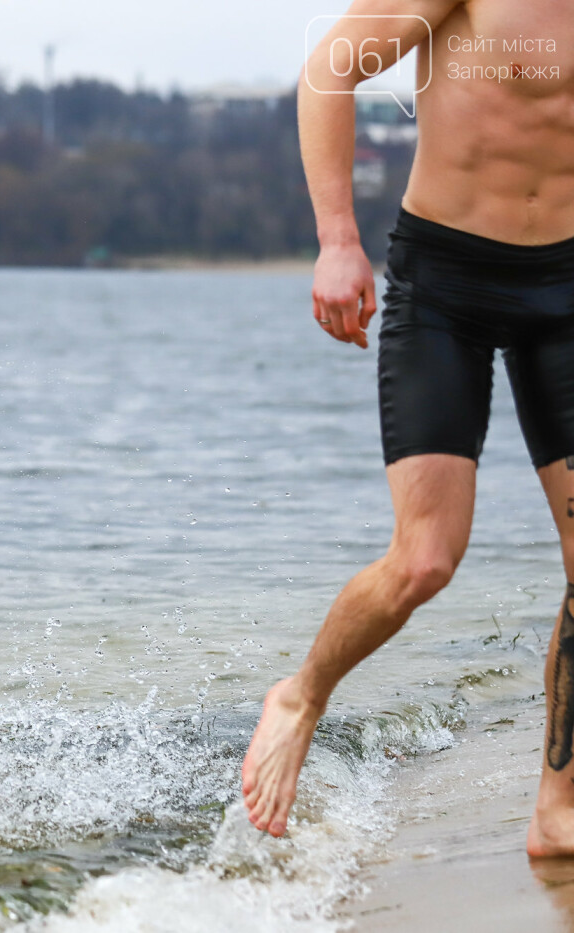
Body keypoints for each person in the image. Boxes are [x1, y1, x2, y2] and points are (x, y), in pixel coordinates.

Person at [243, 0, 574, 853]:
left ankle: (558, 807)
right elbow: (328, 72)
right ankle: (303, 693)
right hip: (448, 285)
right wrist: (336, 240)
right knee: (426, 558)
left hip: (569, 291)